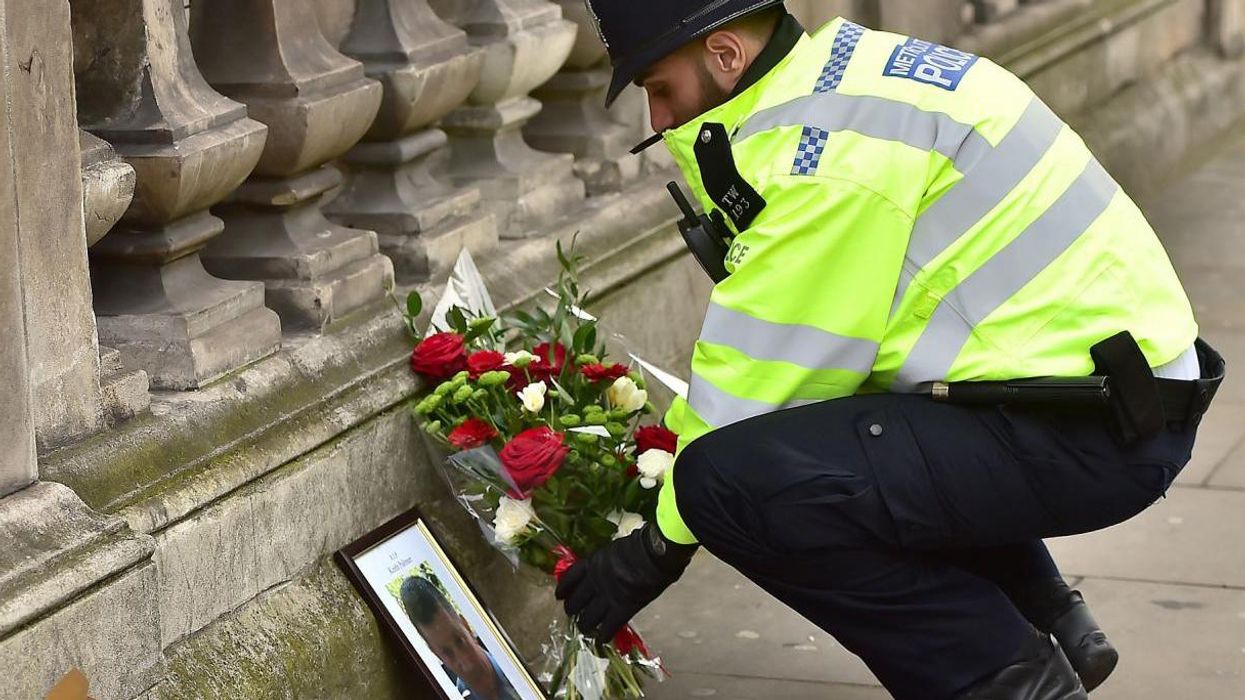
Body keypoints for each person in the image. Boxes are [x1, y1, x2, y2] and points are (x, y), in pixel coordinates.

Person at [555, 3, 1225, 699]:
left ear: (725, 55)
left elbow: (751, 384)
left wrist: (654, 549)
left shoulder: (820, 156)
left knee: (723, 483)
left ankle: (1009, 681)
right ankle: (1046, 612)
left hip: (1091, 433)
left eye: (658, 89)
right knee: (852, 435)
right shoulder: (857, 74)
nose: (658, 120)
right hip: (1116, 396)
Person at [401, 576, 521, 700]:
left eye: (460, 641)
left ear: (466, 626)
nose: (467, 664)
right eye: (447, 653)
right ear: (436, 654)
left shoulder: (521, 660)